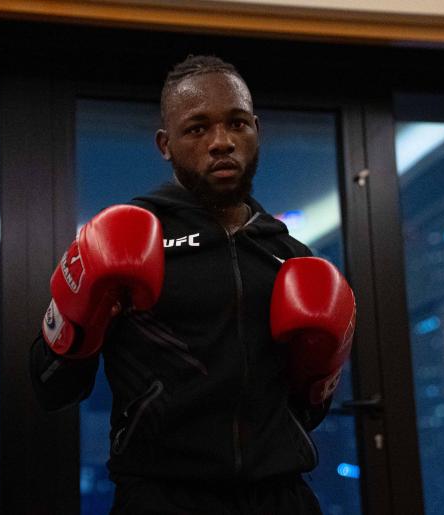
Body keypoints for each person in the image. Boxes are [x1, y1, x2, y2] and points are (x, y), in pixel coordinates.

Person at [30, 55, 355, 515]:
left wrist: (320, 366)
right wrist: (84, 318)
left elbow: (308, 412)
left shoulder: (291, 257)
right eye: (197, 128)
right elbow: (50, 387)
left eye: (236, 123)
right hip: (164, 498)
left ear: (255, 130)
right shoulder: (127, 241)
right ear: (166, 144)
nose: (221, 142)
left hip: (281, 496)